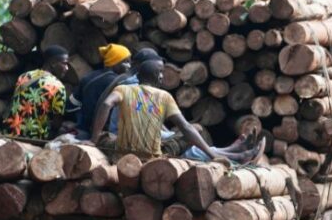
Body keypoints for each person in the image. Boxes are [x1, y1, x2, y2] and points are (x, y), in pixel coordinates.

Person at [91, 60, 261, 162]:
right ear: (158, 76)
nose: (163, 77)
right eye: (161, 74)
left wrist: (93, 139)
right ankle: (234, 154)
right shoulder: (164, 96)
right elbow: (186, 128)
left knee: (106, 138)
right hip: (154, 156)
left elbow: (106, 104)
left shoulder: (123, 89)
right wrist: (211, 154)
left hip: (122, 151)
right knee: (191, 134)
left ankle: (234, 152)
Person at [4, 46, 71, 140]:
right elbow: (57, 124)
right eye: (64, 63)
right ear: (53, 63)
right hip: (36, 137)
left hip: (12, 132)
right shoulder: (57, 86)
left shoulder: (24, 76)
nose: (67, 68)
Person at [68, 44, 132, 139]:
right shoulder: (121, 83)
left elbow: (71, 105)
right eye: (126, 62)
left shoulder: (88, 77)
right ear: (115, 62)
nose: (129, 66)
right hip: (105, 135)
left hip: (83, 130)